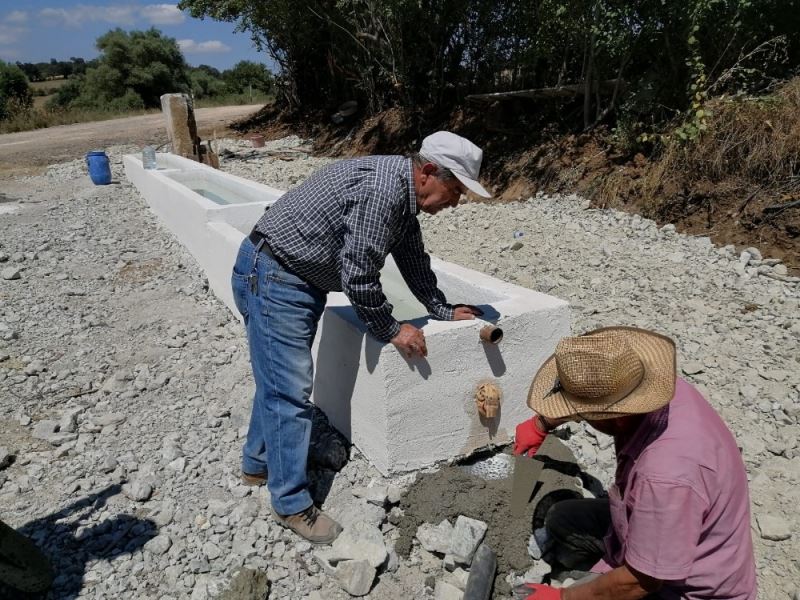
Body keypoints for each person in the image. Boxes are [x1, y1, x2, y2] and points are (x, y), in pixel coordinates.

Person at [231, 131, 491, 544]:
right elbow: (359, 275)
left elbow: (412, 259)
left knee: (278, 382)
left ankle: (257, 465)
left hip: (291, 275)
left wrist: (441, 309)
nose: (456, 202)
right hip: (275, 276)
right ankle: (291, 503)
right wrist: (391, 328)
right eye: (455, 190)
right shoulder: (384, 191)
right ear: (427, 173)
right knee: (291, 390)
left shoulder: (403, 195)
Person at [512, 326, 757, 600]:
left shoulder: (665, 475)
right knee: (562, 518)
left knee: (585, 588)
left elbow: (641, 582)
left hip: (686, 590)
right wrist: (542, 423)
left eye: (584, 416)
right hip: (660, 528)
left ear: (615, 416)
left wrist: (564, 598)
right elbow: (597, 395)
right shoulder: (656, 390)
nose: (580, 418)